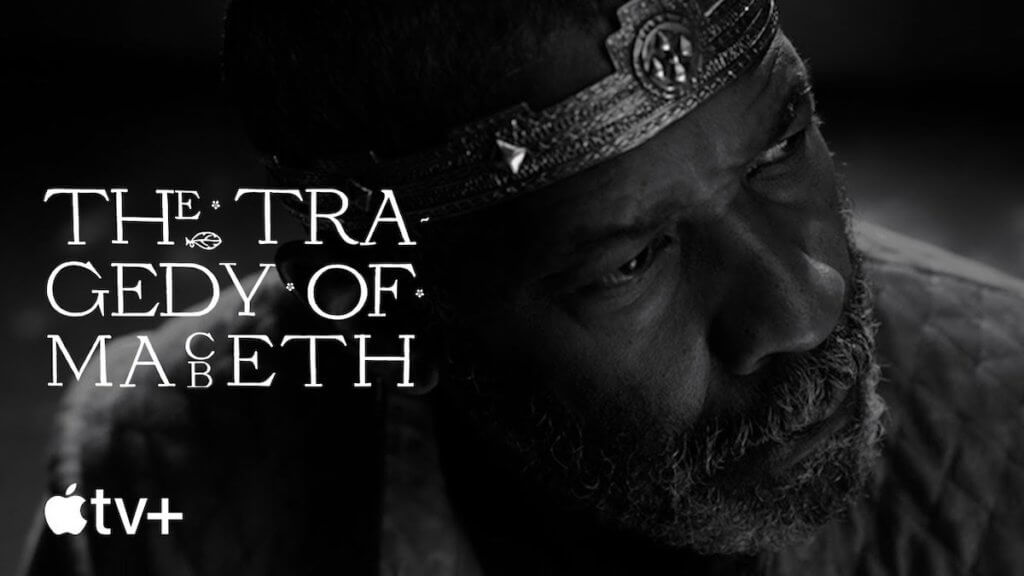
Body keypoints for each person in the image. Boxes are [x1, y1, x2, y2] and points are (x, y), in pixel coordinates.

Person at [22, 0, 1024, 574]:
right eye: (631, 262)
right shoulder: (165, 479)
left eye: (776, 150)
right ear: (382, 297)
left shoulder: (1008, 436)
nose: (802, 305)